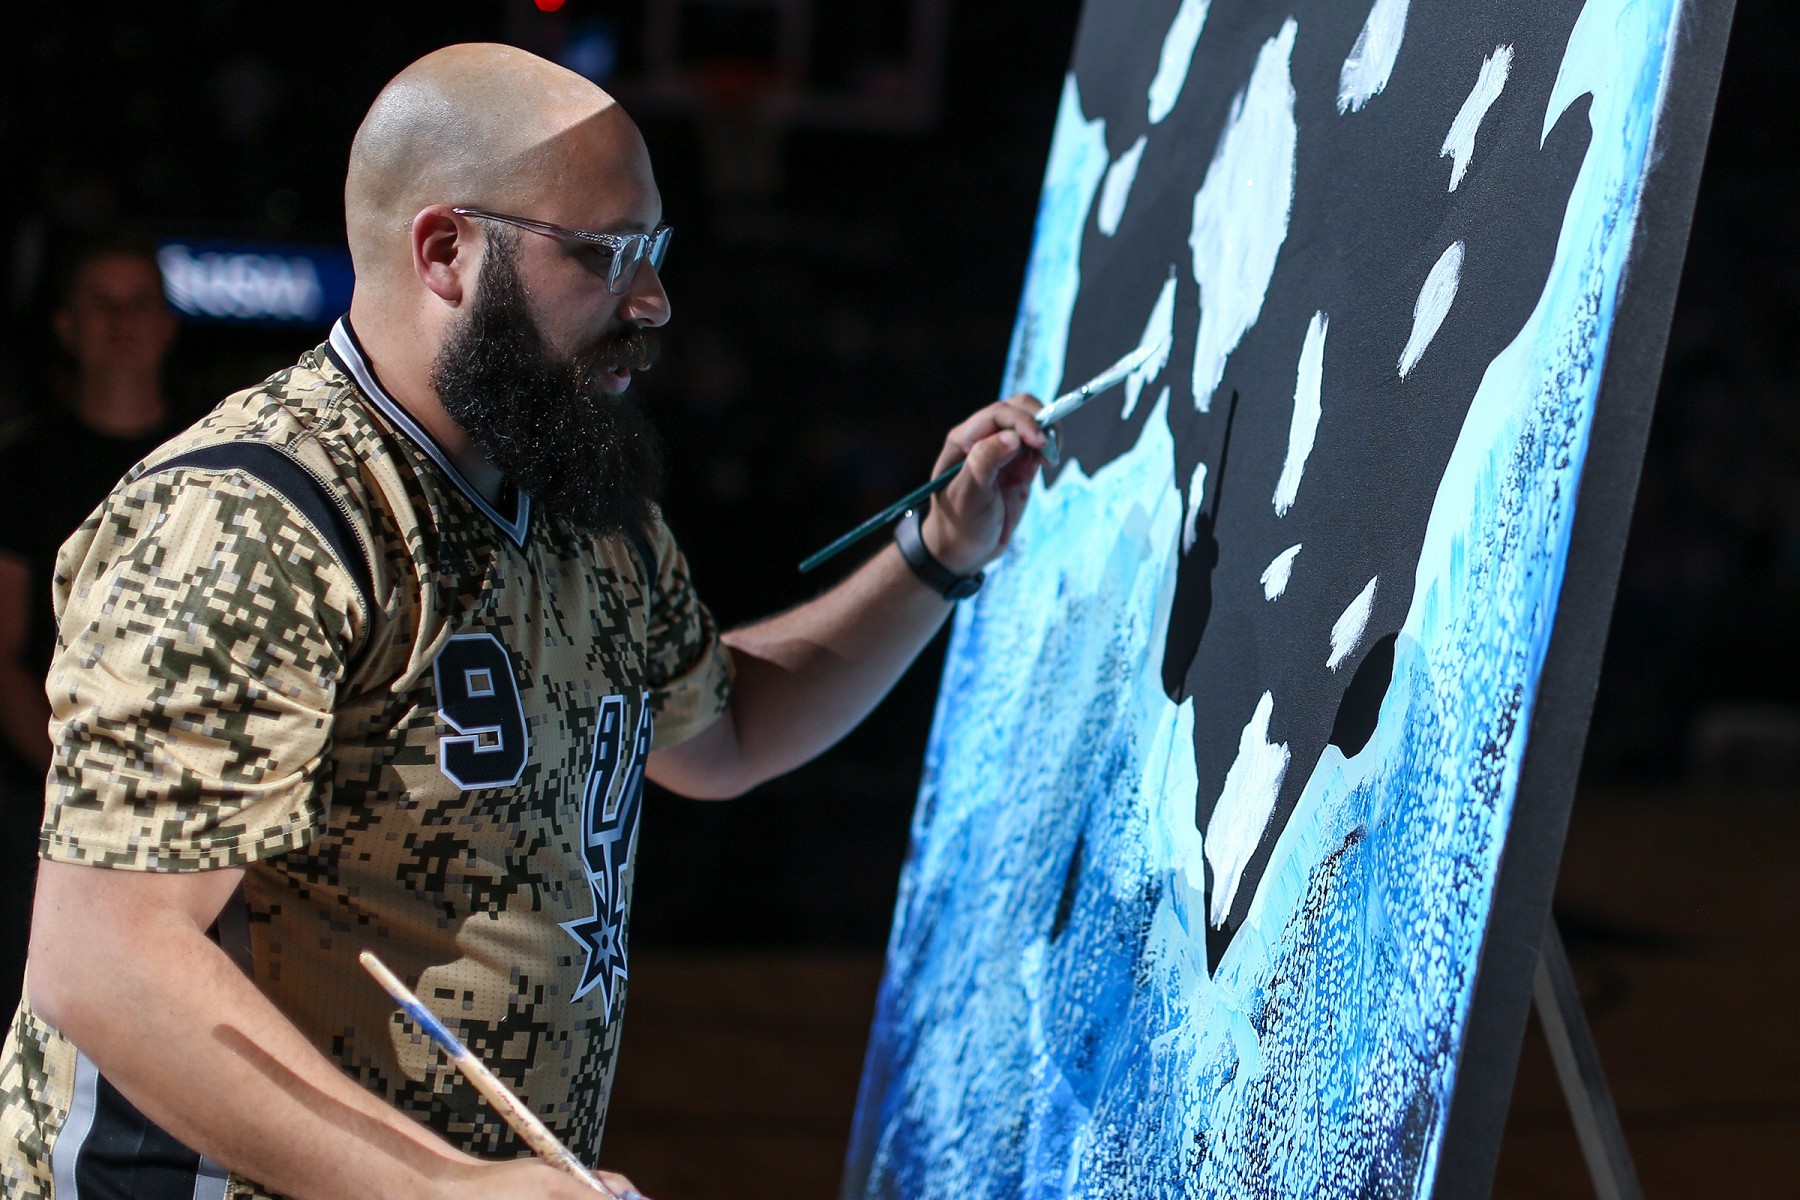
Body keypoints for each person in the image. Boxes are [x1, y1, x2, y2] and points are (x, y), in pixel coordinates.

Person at [0, 43, 1046, 1200]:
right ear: (445, 251)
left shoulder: (581, 509)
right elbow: (105, 960)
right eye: (603, 253)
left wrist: (938, 554)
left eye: (654, 252)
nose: (652, 301)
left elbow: (723, 731)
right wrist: (440, 1188)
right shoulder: (259, 519)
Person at [0, 237, 179, 1011]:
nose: (123, 322)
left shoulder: (217, 457)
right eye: (103, 304)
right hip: (53, 802)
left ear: (167, 323)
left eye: (139, 302)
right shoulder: (23, 471)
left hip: (191, 799)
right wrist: (78, 781)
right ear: (67, 326)